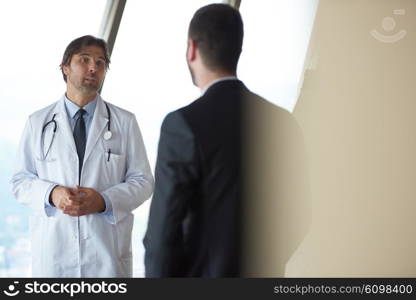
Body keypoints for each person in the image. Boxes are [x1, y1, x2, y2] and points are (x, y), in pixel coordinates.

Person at [143, 4, 309, 277]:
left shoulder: (183, 124)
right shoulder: (283, 122)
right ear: (238, 50)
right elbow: (301, 214)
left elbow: (162, 234)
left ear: (192, 49)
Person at [11, 35, 154, 277]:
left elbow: (143, 182)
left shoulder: (125, 122)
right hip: (55, 258)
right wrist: (52, 193)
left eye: (100, 63)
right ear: (65, 67)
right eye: (84, 59)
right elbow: (20, 181)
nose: (93, 68)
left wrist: (104, 200)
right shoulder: (37, 122)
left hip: (106, 257)